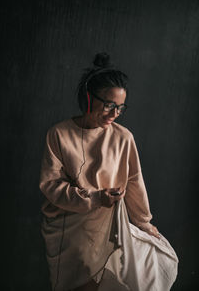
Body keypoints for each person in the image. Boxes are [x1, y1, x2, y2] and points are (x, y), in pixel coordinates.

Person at [39, 53, 178, 291]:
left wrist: (144, 222)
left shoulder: (123, 138)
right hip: (69, 228)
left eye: (121, 108)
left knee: (125, 275)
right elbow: (51, 185)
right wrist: (95, 198)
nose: (114, 114)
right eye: (109, 105)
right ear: (89, 97)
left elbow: (135, 181)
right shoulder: (59, 134)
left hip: (110, 224)